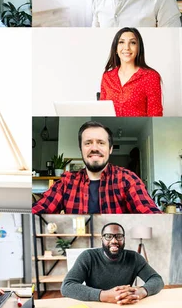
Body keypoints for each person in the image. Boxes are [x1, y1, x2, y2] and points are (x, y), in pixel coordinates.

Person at [32, 121, 160, 214]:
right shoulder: (67, 182)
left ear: (110, 149)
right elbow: (39, 210)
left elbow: (150, 213)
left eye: (101, 143)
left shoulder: (128, 179)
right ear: (81, 149)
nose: (94, 148)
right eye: (88, 143)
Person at [61, 223, 164, 304]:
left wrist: (141, 292)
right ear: (102, 239)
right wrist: (105, 295)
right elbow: (67, 286)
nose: (114, 240)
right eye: (108, 236)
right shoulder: (88, 256)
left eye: (119, 236)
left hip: (125, 304)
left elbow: (156, 279)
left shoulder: (134, 258)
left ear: (124, 239)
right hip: (96, 304)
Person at [100, 27, 163, 116]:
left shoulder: (150, 76)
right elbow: (101, 112)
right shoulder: (107, 77)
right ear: (115, 49)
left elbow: (155, 114)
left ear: (138, 49)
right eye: (121, 42)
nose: (127, 47)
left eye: (132, 43)